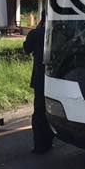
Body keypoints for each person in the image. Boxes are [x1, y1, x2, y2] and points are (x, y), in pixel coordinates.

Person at [24, 11, 54, 153]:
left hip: (40, 77)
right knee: (52, 111)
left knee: (39, 112)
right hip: (56, 77)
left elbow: (26, 49)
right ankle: (50, 141)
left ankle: (39, 145)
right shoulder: (58, 32)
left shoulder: (35, 33)